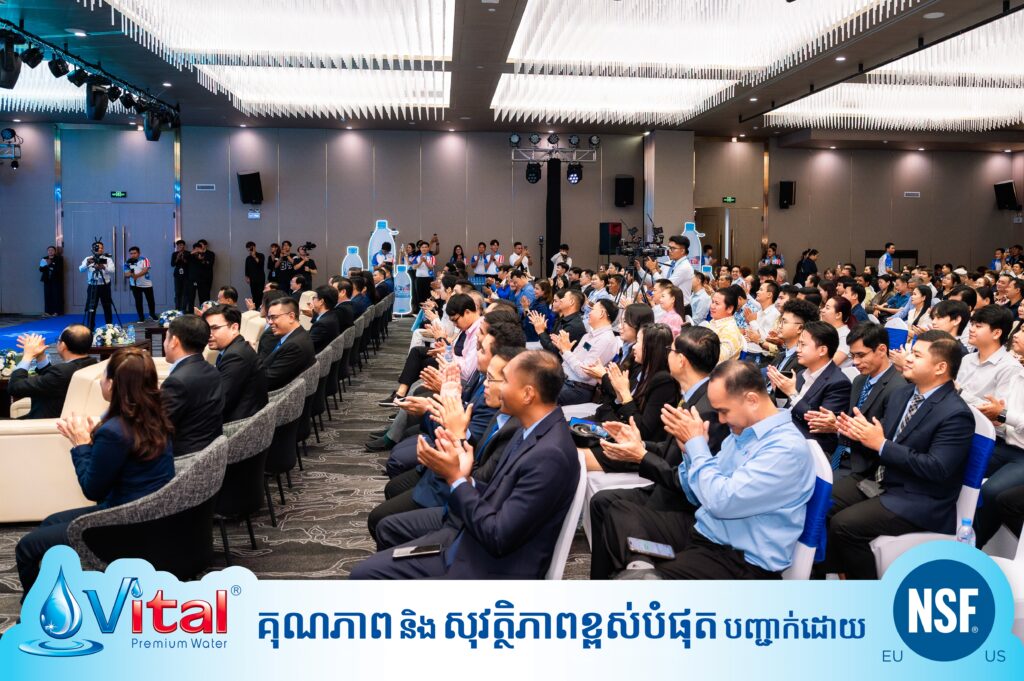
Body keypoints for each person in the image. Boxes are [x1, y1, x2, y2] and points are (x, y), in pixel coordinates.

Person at [350, 350, 580, 579]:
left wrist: (456, 479)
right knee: (379, 549)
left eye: (505, 381)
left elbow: (498, 536)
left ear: (528, 394)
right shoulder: (531, 429)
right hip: (471, 540)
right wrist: (466, 478)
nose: (496, 387)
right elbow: (500, 493)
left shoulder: (550, 454)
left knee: (364, 574)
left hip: (490, 567)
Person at [615, 360, 816, 579]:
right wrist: (689, 453)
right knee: (616, 511)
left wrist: (697, 446)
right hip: (707, 533)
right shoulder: (742, 433)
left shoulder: (785, 448)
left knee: (641, 573)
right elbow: (695, 494)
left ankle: (641, 574)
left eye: (723, 411)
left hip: (739, 559)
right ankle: (640, 568)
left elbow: (721, 502)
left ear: (751, 400)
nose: (720, 419)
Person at [14, 347, 175, 594]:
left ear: (112, 385)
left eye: (104, 376)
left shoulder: (115, 431)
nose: (101, 381)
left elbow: (92, 490)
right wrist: (94, 443)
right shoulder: (155, 415)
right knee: (50, 522)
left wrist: (80, 445)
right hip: (151, 514)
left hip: (124, 522)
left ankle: (36, 608)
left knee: (26, 548)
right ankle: (59, 590)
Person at [830, 330, 973, 579]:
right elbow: (881, 441)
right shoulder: (903, 394)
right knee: (820, 500)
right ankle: (834, 575)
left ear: (940, 367)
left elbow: (937, 468)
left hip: (919, 497)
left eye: (917, 355)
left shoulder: (956, 413)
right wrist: (855, 433)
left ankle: (868, 594)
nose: (907, 359)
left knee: (844, 525)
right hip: (883, 478)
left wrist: (881, 444)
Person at [588, 326, 728, 578]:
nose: (667, 355)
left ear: (681, 360)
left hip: (681, 502)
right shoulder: (693, 396)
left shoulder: (706, 409)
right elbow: (669, 449)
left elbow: (688, 480)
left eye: (670, 350)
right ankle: (608, 579)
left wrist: (641, 456)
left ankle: (632, 575)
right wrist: (639, 445)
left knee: (611, 507)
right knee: (601, 502)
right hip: (667, 484)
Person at [805, 323, 907, 474]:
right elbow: (850, 420)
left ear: (881, 350)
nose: (855, 362)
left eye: (861, 355)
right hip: (839, 453)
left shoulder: (898, 388)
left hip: (864, 466)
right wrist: (836, 422)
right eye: (853, 356)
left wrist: (838, 427)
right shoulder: (860, 380)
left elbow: (883, 439)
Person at [768, 320, 850, 456]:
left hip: (812, 447)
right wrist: (779, 391)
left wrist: (792, 393)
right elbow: (787, 409)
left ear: (822, 350)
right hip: (787, 435)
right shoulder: (801, 373)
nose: (798, 349)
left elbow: (816, 423)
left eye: (803, 345)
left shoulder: (838, 383)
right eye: (798, 344)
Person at [161, 315, 224, 457]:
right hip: (208, 455)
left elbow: (157, 428)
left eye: (166, 338)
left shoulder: (176, 382)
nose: (165, 343)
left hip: (182, 459)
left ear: (174, 341)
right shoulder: (212, 370)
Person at [8, 326, 97, 419]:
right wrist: (40, 356)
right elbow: (52, 381)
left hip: (41, 423)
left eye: (58, 340)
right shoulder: (91, 364)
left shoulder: (61, 373)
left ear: (63, 346)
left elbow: (15, 387)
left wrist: (27, 355)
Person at [203, 304, 268, 423]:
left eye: (215, 328)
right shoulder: (237, 347)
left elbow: (220, 403)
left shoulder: (235, 356)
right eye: (207, 329)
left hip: (239, 426)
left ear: (234, 327)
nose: (208, 334)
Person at [552, 299, 621, 405]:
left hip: (577, 388)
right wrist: (563, 349)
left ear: (602, 313)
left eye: (592, 309)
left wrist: (566, 351)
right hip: (565, 381)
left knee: (538, 394)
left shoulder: (606, 339)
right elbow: (576, 360)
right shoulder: (588, 335)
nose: (589, 313)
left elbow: (584, 373)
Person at [957, 305, 1020, 406]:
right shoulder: (967, 359)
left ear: (996, 333)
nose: (971, 329)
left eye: (978, 326)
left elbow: (999, 410)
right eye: (972, 324)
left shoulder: (1010, 367)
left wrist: (960, 392)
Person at [258, 297, 316, 391]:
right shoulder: (298, 334)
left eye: (274, 317)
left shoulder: (295, 346)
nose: (270, 322)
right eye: (269, 318)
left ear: (291, 317)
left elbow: (268, 381)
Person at [532, 288, 586, 357]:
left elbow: (552, 351)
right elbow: (550, 340)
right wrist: (543, 328)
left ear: (571, 302)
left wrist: (541, 331)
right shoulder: (563, 318)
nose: (561, 300)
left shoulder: (574, 325)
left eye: (564, 297)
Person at [79, 240, 115, 330]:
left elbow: (112, 270)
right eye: (98, 248)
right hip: (92, 285)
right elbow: (81, 269)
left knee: (107, 306)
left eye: (102, 248)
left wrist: (103, 267)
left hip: (105, 285)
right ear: (93, 249)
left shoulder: (107, 259)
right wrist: (87, 263)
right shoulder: (88, 258)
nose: (100, 249)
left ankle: (109, 327)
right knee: (91, 307)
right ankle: (90, 327)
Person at [702, 286, 744, 363]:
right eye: (712, 302)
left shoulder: (730, 333)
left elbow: (714, 361)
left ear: (729, 309)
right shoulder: (715, 321)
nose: (712, 306)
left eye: (717, 303)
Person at [656, 235, 694, 305]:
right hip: (668, 305)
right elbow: (654, 282)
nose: (669, 251)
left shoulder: (685, 267)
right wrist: (639, 269)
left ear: (682, 251)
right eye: (669, 248)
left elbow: (667, 286)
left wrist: (653, 271)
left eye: (673, 248)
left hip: (680, 307)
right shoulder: (668, 263)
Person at [123, 246, 156, 322]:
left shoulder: (145, 259)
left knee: (150, 301)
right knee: (138, 302)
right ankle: (141, 318)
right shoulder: (127, 262)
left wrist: (136, 276)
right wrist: (131, 273)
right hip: (135, 285)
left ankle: (152, 315)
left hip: (147, 284)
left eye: (134, 253)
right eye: (131, 253)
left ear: (139, 253)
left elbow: (145, 270)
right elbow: (126, 274)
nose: (133, 255)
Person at [307, 285, 341, 354]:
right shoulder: (332, 315)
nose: (312, 300)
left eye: (314, 298)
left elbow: (306, 345)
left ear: (321, 301)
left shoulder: (322, 324)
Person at [409, 241, 436, 307]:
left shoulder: (432, 257)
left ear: (428, 248)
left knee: (428, 296)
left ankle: (428, 311)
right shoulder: (416, 257)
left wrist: (425, 261)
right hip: (419, 279)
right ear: (420, 248)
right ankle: (420, 311)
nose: (424, 248)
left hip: (428, 279)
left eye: (425, 247)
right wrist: (420, 262)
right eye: (422, 247)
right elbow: (414, 267)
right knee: (419, 296)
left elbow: (431, 267)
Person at [39, 245, 64, 318]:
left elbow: (59, 269)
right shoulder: (44, 259)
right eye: (49, 250)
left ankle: (56, 312)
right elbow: (41, 269)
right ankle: (47, 312)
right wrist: (47, 265)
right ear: (47, 252)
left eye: (52, 250)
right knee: (47, 296)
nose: (50, 251)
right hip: (47, 280)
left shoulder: (59, 258)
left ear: (55, 251)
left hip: (56, 280)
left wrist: (50, 265)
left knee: (56, 296)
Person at [170, 239, 190, 313]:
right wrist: (177, 258)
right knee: (177, 293)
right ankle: (177, 309)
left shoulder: (188, 253)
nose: (179, 246)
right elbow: (172, 264)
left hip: (186, 276)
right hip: (177, 276)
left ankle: (183, 309)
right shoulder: (174, 254)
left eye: (181, 245)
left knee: (185, 293)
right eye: (178, 245)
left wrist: (183, 258)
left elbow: (190, 264)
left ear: (184, 246)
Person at [244, 241, 266, 310]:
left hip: (260, 278)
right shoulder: (248, 258)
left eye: (251, 248)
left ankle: (260, 309)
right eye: (248, 249)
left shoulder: (261, 255)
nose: (250, 250)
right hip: (252, 279)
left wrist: (254, 256)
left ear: (254, 247)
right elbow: (246, 268)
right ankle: (255, 309)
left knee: (260, 294)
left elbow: (260, 264)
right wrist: (247, 277)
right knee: (254, 294)